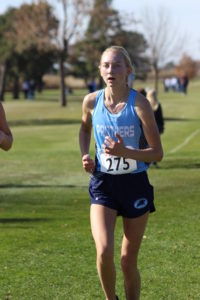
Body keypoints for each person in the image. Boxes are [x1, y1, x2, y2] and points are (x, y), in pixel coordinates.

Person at [79, 46, 163, 300]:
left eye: (116, 65)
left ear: (128, 71)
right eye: (105, 65)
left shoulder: (140, 104)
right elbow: (84, 130)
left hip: (135, 185)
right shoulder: (91, 101)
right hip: (103, 184)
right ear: (100, 70)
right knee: (104, 250)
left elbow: (157, 153)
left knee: (127, 261)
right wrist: (85, 154)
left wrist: (124, 152)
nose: (110, 70)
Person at [146, 89, 164, 167]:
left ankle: (148, 161)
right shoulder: (157, 105)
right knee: (155, 145)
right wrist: (162, 126)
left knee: (148, 145)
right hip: (156, 128)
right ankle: (153, 161)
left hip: (147, 128)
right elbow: (160, 117)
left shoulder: (145, 104)